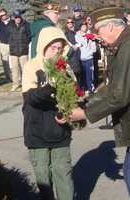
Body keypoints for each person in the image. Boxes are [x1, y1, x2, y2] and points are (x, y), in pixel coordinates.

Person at [69, 7, 130, 194]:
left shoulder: (127, 47)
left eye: (98, 30)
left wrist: (84, 112)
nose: (96, 34)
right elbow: (111, 87)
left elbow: (119, 94)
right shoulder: (120, 46)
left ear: (111, 26)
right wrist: (86, 103)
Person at [22, 26, 73, 200]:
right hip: (37, 133)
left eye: (60, 48)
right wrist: (51, 87)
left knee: (64, 178)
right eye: (53, 48)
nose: (57, 52)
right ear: (43, 46)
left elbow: (72, 96)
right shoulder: (32, 66)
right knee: (44, 180)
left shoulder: (65, 68)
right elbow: (32, 98)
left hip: (60, 132)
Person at [8, 9, 31, 92]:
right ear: (14, 17)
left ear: (21, 17)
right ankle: (15, 84)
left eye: (19, 17)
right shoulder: (10, 25)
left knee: (24, 69)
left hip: (23, 51)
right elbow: (8, 36)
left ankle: (25, 84)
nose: (18, 19)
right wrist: (11, 43)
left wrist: (25, 43)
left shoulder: (26, 25)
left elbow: (29, 36)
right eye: (16, 17)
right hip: (13, 50)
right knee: (14, 69)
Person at [75, 21, 96, 94]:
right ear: (80, 27)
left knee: (89, 75)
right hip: (81, 59)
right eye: (82, 26)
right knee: (82, 75)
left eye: (85, 26)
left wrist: (91, 52)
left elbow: (94, 47)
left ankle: (91, 89)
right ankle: (85, 89)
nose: (84, 27)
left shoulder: (90, 35)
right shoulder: (77, 35)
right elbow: (78, 45)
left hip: (89, 58)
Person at [64, 17, 82, 88]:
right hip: (71, 58)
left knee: (79, 76)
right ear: (66, 24)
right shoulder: (66, 34)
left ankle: (79, 91)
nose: (70, 24)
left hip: (79, 56)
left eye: (71, 22)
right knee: (74, 77)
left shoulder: (76, 33)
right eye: (68, 22)